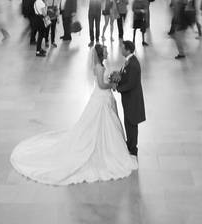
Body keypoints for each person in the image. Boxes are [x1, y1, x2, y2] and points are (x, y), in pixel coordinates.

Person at [9, 44, 137, 184]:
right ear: (101, 55)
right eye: (105, 51)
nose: (107, 53)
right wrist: (112, 84)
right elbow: (101, 84)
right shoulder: (100, 68)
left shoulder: (101, 66)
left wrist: (112, 80)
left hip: (103, 98)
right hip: (101, 98)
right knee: (98, 123)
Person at [114, 40, 146, 157]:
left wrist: (118, 88)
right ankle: (130, 143)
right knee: (128, 122)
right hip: (129, 99)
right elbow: (125, 76)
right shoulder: (129, 61)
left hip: (132, 99)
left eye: (122, 48)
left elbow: (131, 83)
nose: (121, 49)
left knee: (132, 122)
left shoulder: (132, 64)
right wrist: (117, 77)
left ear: (127, 50)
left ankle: (133, 148)